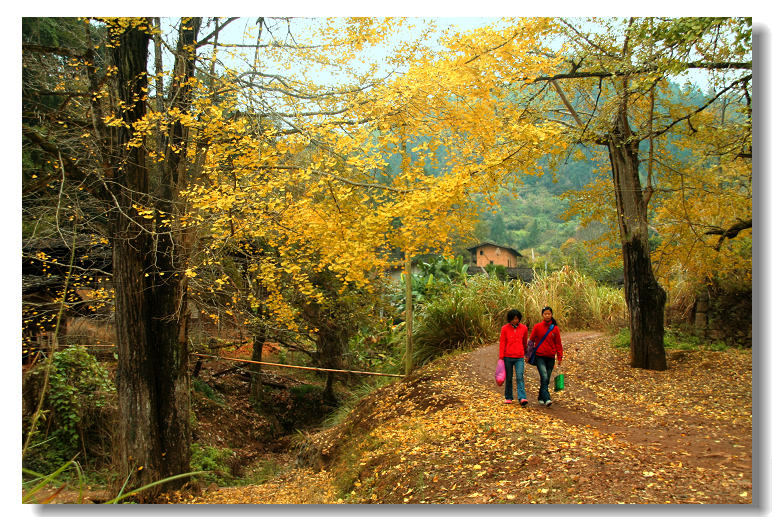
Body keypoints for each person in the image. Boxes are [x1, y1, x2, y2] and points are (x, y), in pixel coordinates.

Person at [528, 306, 563, 407]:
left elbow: (558, 344)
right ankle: (547, 398)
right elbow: (531, 341)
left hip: (551, 357)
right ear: (542, 315)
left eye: (549, 314)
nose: (547, 315)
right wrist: (528, 354)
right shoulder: (537, 327)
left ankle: (540, 397)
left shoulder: (555, 329)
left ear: (551, 315)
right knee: (544, 376)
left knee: (546, 379)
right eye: (545, 314)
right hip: (540, 356)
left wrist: (560, 357)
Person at [498, 309, 529, 406]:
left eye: (517, 319)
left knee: (520, 376)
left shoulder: (524, 328)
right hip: (508, 356)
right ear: (510, 319)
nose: (515, 321)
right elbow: (502, 342)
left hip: (519, 356)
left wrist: (526, 353)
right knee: (509, 377)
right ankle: (508, 397)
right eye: (513, 319)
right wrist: (501, 357)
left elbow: (525, 342)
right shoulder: (504, 328)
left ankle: (522, 397)